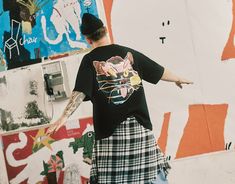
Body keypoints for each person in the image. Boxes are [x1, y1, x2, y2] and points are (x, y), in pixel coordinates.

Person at [47, 13, 193, 184]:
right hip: (140, 132)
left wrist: (62, 118)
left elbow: (80, 93)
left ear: (88, 40)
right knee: (153, 177)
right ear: (106, 30)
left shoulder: (89, 60)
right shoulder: (128, 53)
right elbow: (157, 71)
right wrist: (178, 78)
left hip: (110, 136)